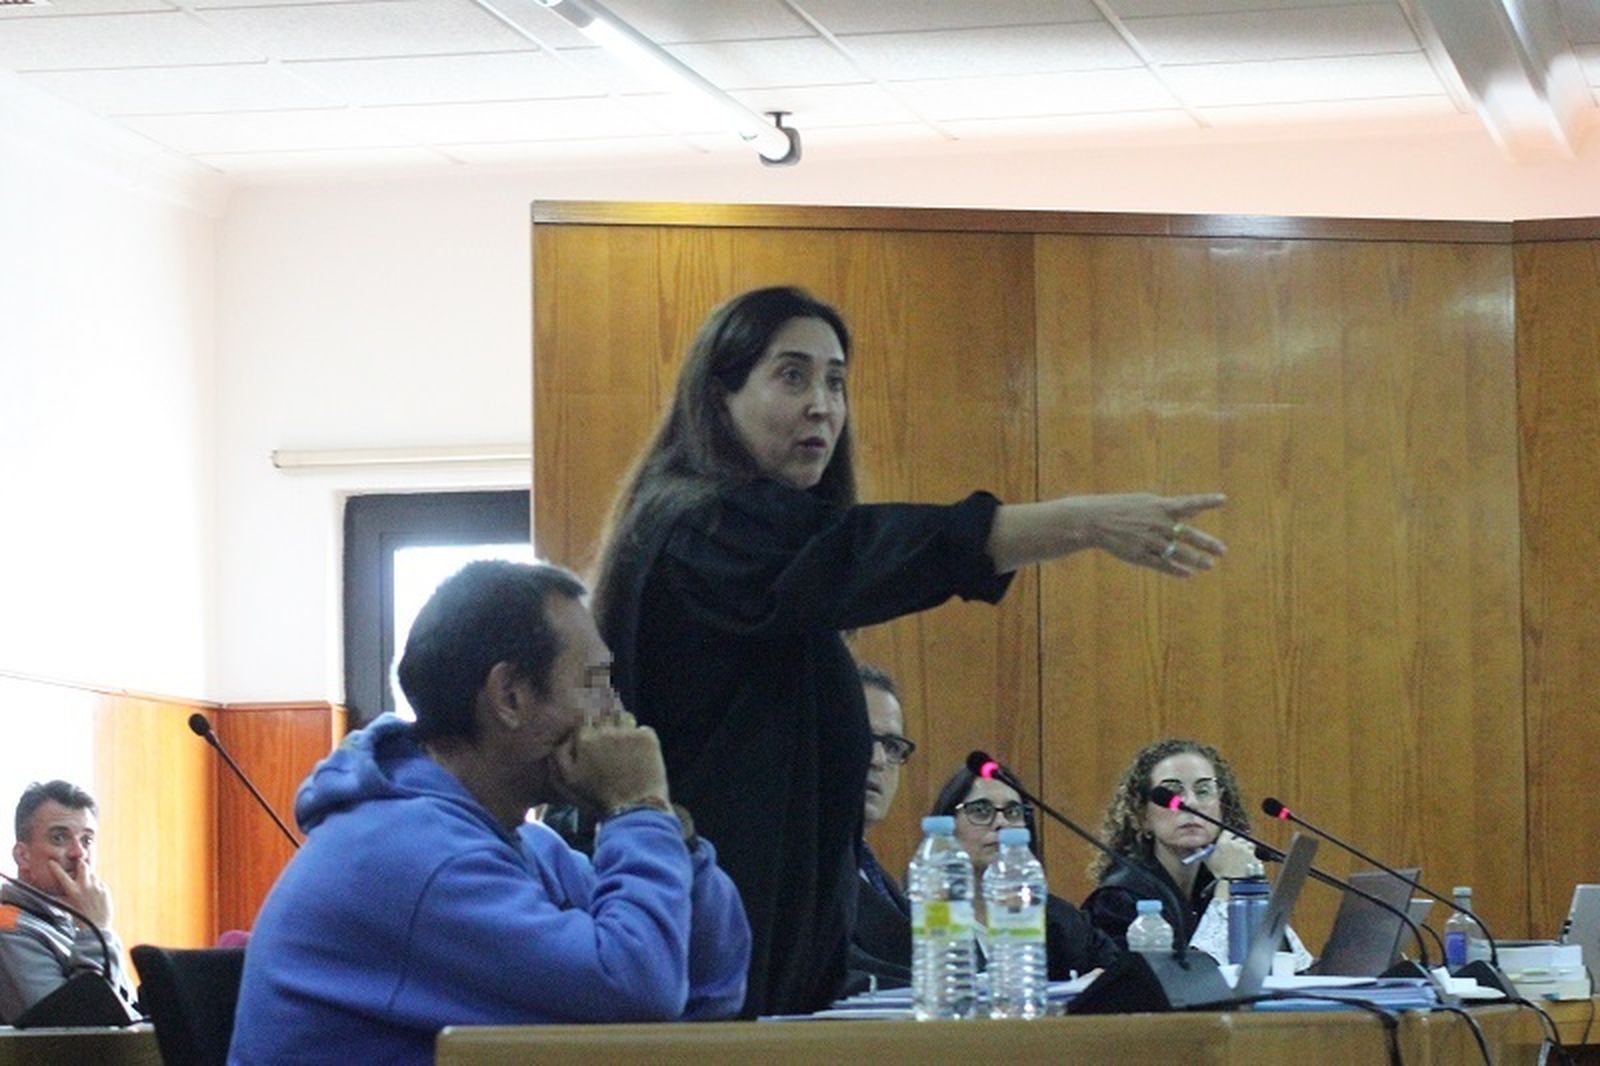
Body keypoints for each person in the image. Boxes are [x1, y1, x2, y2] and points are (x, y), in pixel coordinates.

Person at [590, 285, 1226, 1015]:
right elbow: (866, 552)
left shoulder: (758, 544)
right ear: (718, 394)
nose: (822, 405)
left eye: (835, 381)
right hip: (710, 967)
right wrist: (1081, 521)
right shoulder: (699, 529)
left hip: (761, 970)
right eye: (791, 376)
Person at [229, 561, 750, 1065]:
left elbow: (711, 983)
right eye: (595, 681)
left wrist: (668, 829)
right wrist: (637, 810)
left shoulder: (526, 846)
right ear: (511, 696)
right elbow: (638, 993)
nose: (615, 709)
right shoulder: (412, 856)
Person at [1082, 737, 1310, 968]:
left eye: (1203, 790)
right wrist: (1227, 890)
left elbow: (1295, 967)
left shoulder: (1211, 878)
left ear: (1223, 807)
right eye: (1171, 792)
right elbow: (1189, 984)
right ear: (1142, 817)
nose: (1190, 803)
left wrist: (1251, 887)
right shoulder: (1118, 900)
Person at [930, 765, 1121, 979]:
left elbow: (1121, 976)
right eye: (981, 810)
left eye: (1013, 812)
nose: (1001, 823)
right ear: (947, 825)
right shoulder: (920, 918)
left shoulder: (1060, 921)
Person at [0, 780, 137, 1023]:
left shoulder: (76, 920)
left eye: (86, 840)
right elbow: (75, 1031)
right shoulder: (7, 928)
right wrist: (97, 932)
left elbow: (129, 1014)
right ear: (23, 856)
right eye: (59, 838)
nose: (78, 853)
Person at [848, 663, 914, 990]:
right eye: (862, 734)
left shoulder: (876, 877)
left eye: (892, 747)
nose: (877, 760)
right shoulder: (797, 867)